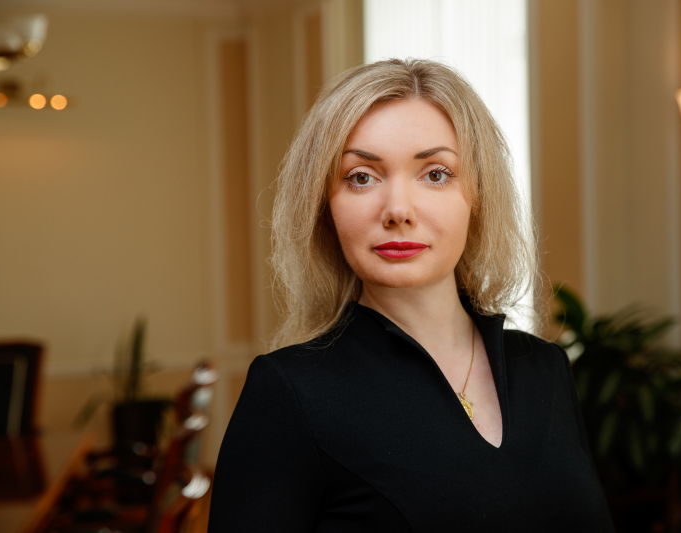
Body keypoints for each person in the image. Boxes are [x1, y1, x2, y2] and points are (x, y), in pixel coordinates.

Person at [208, 58, 614, 532]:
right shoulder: (288, 393)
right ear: (325, 207)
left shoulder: (545, 369)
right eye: (361, 176)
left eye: (435, 174)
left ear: (478, 197)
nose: (398, 210)